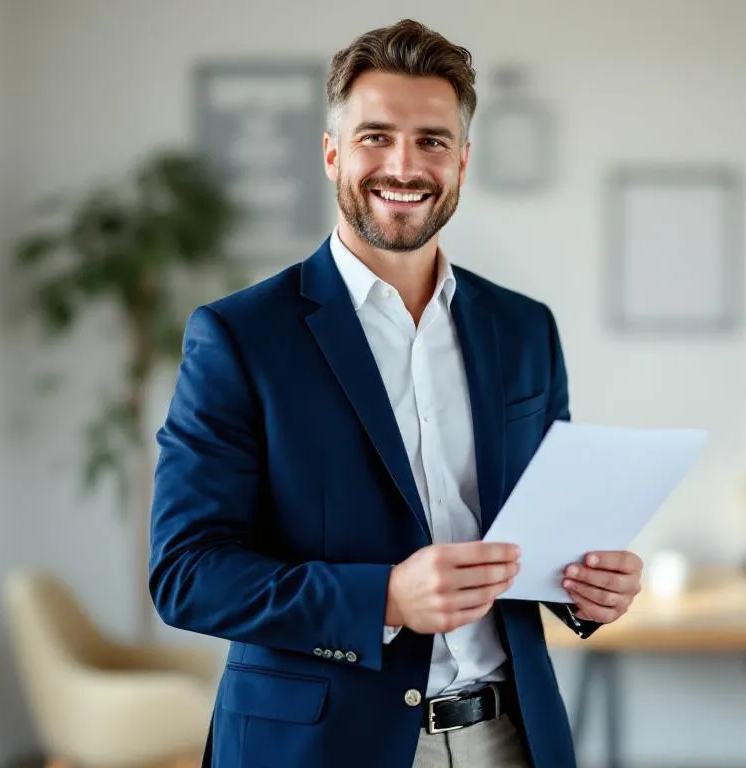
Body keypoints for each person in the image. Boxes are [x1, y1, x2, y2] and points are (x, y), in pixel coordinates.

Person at [148, 18, 644, 768]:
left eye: (432, 141)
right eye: (375, 136)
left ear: (463, 162)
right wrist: (381, 598)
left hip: (509, 739)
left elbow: (547, 531)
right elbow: (187, 573)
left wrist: (588, 590)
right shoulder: (240, 337)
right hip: (319, 747)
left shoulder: (525, 329)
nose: (404, 166)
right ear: (331, 152)